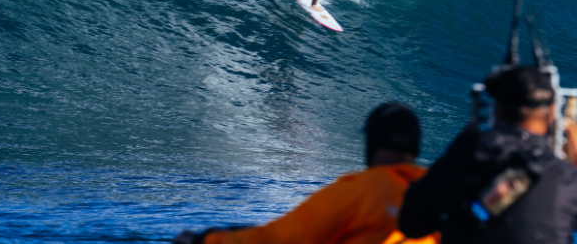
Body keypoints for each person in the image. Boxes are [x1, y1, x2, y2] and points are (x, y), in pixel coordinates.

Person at [397, 66, 577, 244]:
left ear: (496, 110)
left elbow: (411, 224)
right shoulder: (565, 179)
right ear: (551, 116)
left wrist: (462, 144)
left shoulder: (463, 161)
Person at [173, 103, 437, 244]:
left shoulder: (363, 191)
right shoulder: (441, 197)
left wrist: (206, 241)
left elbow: (282, 239)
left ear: (372, 141)